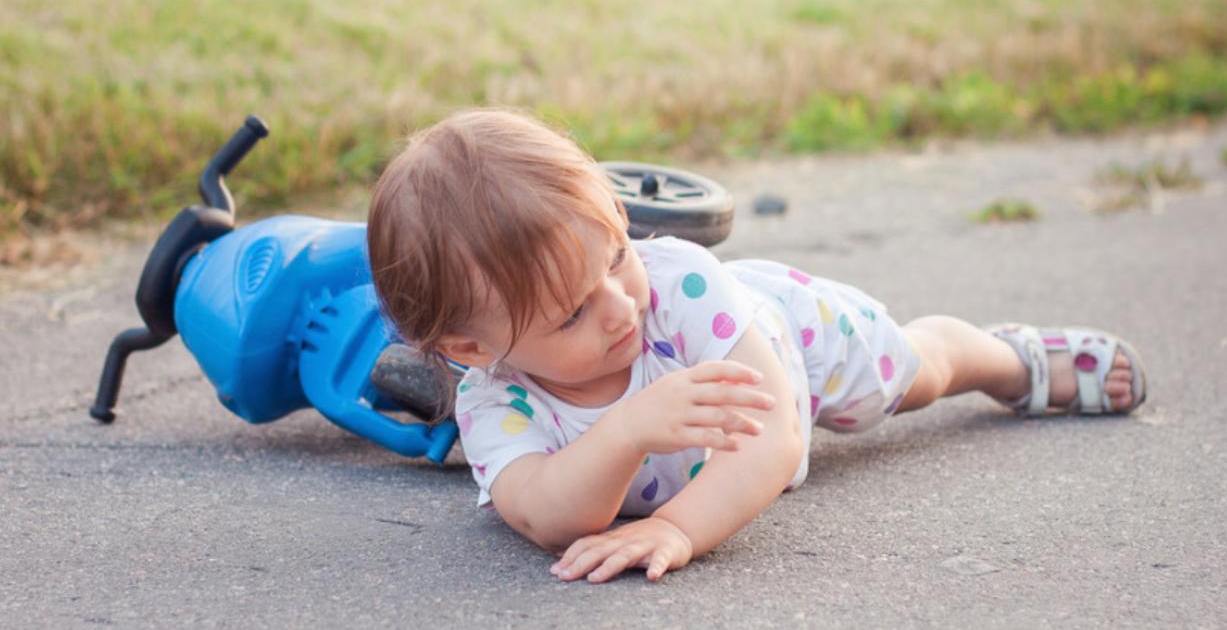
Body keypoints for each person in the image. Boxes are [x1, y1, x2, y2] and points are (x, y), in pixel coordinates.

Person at [365, 108, 1147, 584]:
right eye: (571, 314)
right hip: (714, 413)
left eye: (617, 253)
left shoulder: (677, 288)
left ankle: (1008, 361)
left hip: (783, 340)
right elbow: (545, 514)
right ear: (473, 346)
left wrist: (679, 527)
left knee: (912, 375)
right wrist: (628, 430)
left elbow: (776, 437)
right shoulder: (495, 400)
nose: (619, 308)